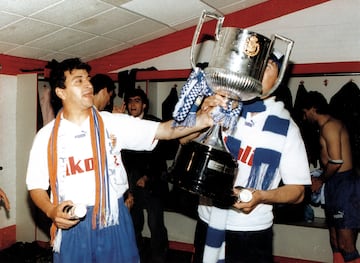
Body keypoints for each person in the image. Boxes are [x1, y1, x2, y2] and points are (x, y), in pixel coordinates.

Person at [25, 58, 222, 263]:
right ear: (61, 92)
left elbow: (164, 130)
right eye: (78, 81)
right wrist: (51, 210)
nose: (89, 85)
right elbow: (36, 185)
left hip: (114, 218)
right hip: (73, 223)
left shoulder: (111, 123)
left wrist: (204, 118)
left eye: (88, 79)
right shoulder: (47, 136)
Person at [190, 53, 311, 263]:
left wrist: (261, 197)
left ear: (279, 76)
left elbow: (298, 192)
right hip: (207, 220)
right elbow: (184, 141)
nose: (259, 71)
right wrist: (201, 114)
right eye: (256, 64)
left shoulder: (287, 128)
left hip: (251, 230)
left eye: (268, 66)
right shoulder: (221, 107)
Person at [301, 91, 360, 263]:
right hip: (335, 184)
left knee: (346, 245)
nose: (304, 118)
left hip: (344, 186)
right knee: (335, 241)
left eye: (305, 113)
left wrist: (320, 180)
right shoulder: (325, 126)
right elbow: (330, 161)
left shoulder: (330, 126)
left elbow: (336, 162)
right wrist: (318, 174)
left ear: (313, 109)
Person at [121, 88, 169, 263]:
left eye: (137, 100)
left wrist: (147, 176)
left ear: (144, 105)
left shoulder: (155, 124)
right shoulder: (122, 124)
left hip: (153, 181)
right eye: (130, 101)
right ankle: (136, 256)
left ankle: (159, 258)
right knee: (133, 223)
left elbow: (161, 155)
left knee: (156, 224)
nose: (133, 104)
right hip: (131, 182)